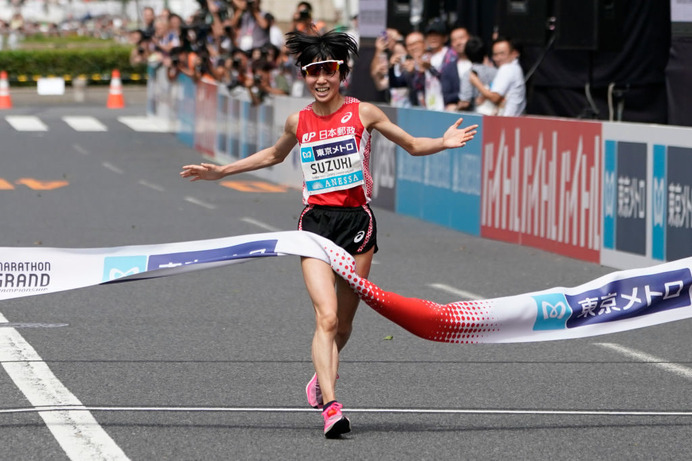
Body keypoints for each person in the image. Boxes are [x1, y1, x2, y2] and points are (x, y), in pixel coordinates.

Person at [180, 30, 477, 438]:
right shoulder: (297, 120)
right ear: (304, 76)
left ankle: (320, 378)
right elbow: (273, 154)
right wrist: (222, 171)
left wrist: (442, 143)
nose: (320, 79)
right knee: (327, 316)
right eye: (312, 72)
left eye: (328, 71)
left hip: (358, 225)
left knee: (344, 326)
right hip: (315, 225)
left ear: (341, 74)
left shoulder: (364, 113)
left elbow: (410, 143)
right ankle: (332, 407)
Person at [469, 36, 526, 116]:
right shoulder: (515, 68)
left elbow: (495, 98)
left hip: (506, 121)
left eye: (502, 54)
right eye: (495, 54)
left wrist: (476, 81)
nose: (498, 58)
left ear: (514, 54)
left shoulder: (507, 68)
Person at [458, 35, 497, 112]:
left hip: (476, 116)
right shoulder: (495, 71)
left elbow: (465, 102)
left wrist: (455, 108)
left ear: (467, 55)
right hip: (495, 115)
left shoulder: (468, 74)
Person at [440, 26, 470, 111]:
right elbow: (446, 97)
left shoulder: (483, 63)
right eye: (454, 40)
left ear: (469, 38)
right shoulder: (448, 69)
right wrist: (463, 97)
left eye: (461, 38)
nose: (458, 42)